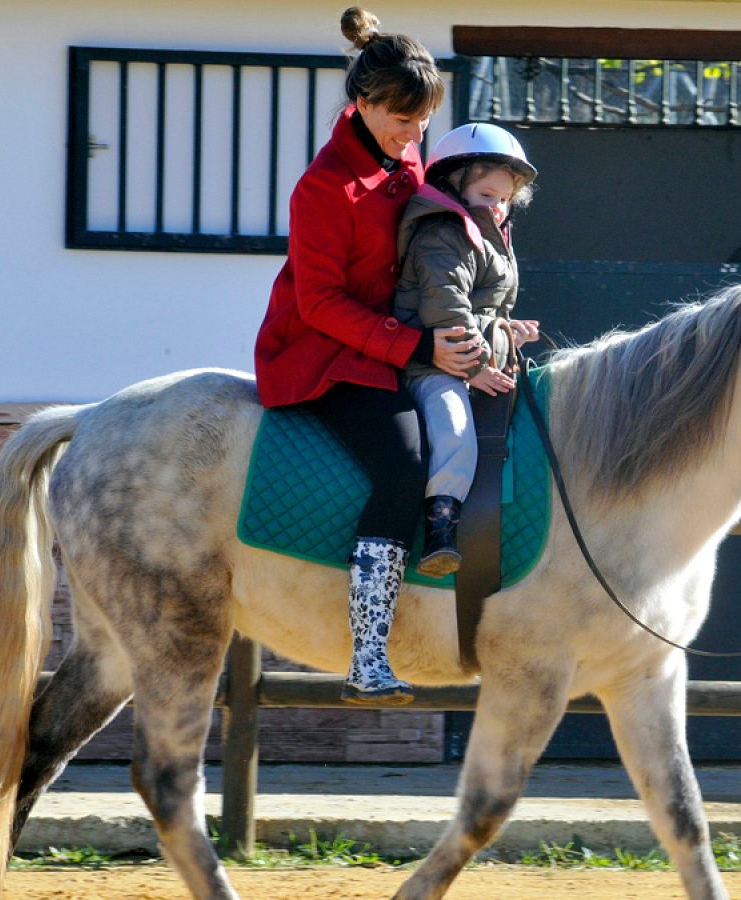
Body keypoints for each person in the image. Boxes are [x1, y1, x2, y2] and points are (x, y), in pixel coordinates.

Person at [253, 7, 484, 705]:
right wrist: (418, 344)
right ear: (361, 103)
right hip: (322, 357)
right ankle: (369, 653)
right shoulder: (321, 189)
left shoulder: (405, 155)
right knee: (404, 464)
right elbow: (319, 304)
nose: (413, 136)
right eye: (400, 120)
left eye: (421, 123)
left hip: (389, 346)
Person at [392, 123, 540, 575]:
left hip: (472, 358)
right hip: (435, 364)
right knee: (454, 428)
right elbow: (447, 305)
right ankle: (440, 526)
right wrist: (475, 367)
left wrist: (505, 330)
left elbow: (484, 306)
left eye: (503, 200)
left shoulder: (490, 234)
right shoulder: (442, 233)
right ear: (452, 184)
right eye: (486, 196)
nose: (496, 208)